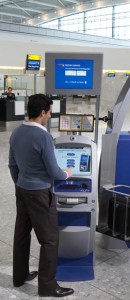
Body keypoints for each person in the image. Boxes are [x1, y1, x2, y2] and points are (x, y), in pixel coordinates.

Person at [8, 94, 74, 297]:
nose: (50, 114)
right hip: (39, 193)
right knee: (50, 240)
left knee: (21, 234)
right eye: (49, 111)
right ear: (43, 112)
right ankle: (47, 286)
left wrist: (21, 183)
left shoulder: (16, 132)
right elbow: (55, 172)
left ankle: (19, 276)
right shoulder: (43, 136)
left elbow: (12, 164)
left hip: (22, 189)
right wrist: (67, 173)